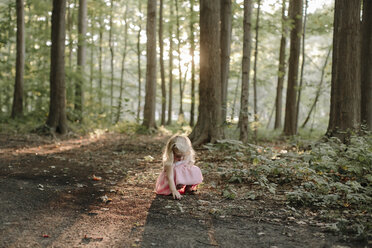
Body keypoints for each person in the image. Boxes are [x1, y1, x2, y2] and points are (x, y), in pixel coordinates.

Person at [155, 135, 203, 199]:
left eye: (183, 156)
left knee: (195, 169)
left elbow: (188, 168)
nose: (181, 159)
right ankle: (176, 189)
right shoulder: (169, 163)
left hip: (181, 180)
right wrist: (173, 190)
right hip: (171, 183)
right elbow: (170, 178)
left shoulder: (185, 158)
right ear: (171, 153)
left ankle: (188, 188)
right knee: (176, 170)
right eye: (178, 156)